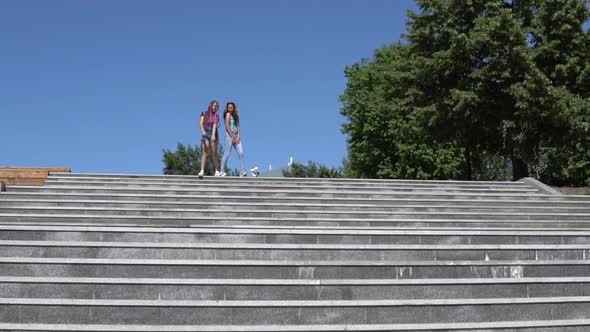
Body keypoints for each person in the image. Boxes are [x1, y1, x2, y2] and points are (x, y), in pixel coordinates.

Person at [220, 102, 247, 177]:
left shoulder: (236, 116)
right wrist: (232, 136)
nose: (230, 108)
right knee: (227, 153)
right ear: (227, 108)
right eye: (229, 107)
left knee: (241, 153)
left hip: (236, 136)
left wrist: (238, 136)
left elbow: (238, 127)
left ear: (234, 107)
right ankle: (221, 170)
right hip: (229, 136)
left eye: (231, 107)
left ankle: (242, 171)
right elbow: (227, 126)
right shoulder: (228, 115)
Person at [198, 100, 221, 178]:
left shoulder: (216, 116)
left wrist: (213, 135)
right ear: (211, 105)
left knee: (214, 152)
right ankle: (202, 170)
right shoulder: (204, 113)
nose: (215, 107)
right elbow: (200, 123)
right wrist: (202, 131)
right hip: (205, 133)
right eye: (214, 106)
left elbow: (215, 125)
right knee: (205, 151)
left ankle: (217, 170)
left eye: (217, 107)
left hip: (213, 133)